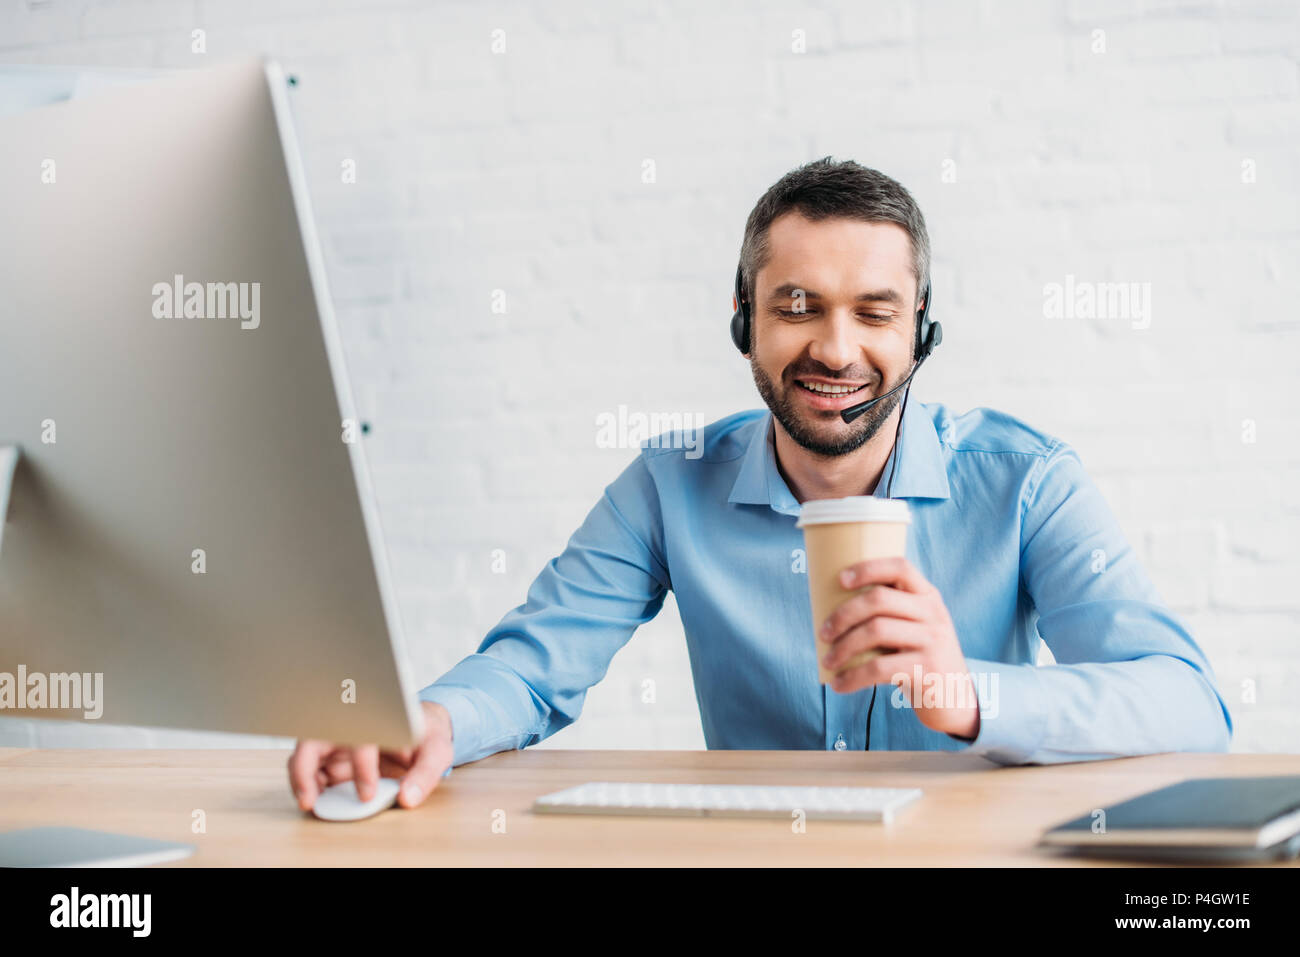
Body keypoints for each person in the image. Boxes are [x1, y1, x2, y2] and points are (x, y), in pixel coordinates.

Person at [289, 157, 1232, 811]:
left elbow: (1190, 705)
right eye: (797, 306)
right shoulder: (668, 485)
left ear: (923, 332)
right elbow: (534, 668)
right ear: (743, 321)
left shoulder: (1028, 483)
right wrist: (430, 722)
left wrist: (971, 694)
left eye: (875, 311)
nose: (835, 346)